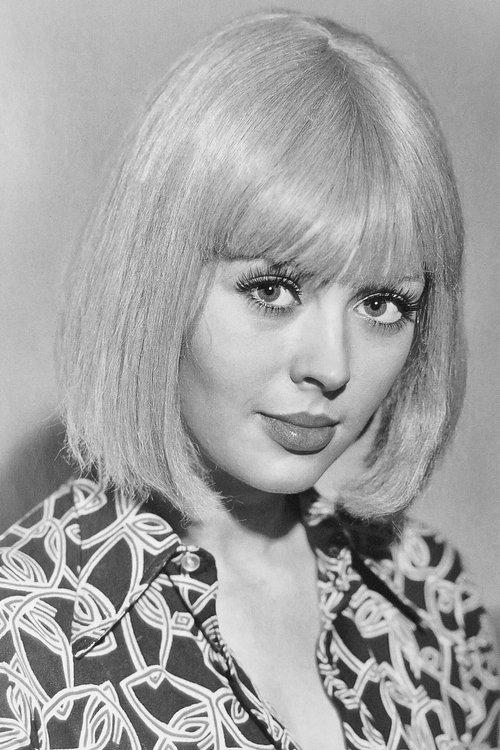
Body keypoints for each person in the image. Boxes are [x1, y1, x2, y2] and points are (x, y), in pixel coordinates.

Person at [0, 9, 497, 750]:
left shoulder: (433, 599)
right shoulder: (26, 636)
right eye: (273, 289)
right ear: (158, 283)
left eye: (382, 305)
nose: (331, 366)